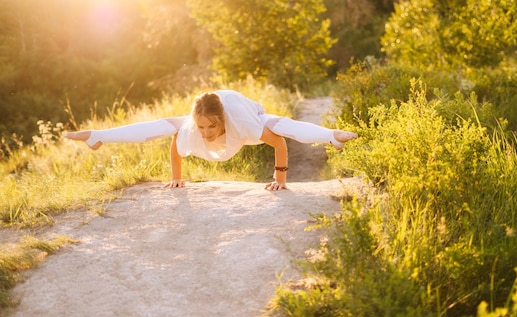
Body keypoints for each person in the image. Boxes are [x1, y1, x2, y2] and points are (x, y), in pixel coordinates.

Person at [64, 90, 357, 191]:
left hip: (249, 112)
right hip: (212, 105)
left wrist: (280, 179)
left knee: (281, 124)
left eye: (210, 128)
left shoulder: (243, 123)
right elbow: (176, 147)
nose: (205, 133)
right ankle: (97, 136)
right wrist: (177, 179)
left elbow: (279, 142)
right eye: (201, 128)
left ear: (222, 121)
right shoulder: (195, 126)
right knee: (164, 126)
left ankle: (332, 136)